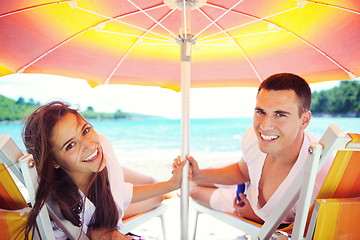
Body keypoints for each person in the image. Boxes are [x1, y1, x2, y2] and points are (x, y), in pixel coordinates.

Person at [174, 73, 332, 225]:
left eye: (280, 114)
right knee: (189, 182)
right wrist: (198, 174)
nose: (265, 126)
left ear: (304, 120)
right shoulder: (254, 136)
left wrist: (256, 218)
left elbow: (304, 233)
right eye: (260, 112)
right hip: (245, 192)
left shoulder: (316, 177)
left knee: (191, 191)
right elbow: (243, 172)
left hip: (249, 210)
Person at [21, 101, 186, 240]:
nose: (89, 145)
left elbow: (121, 192)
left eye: (85, 130)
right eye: (70, 145)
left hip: (103, 191)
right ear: (54, 162)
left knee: (158, 194)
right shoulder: (60, 214)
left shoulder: (102, 150)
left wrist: (172, 184)